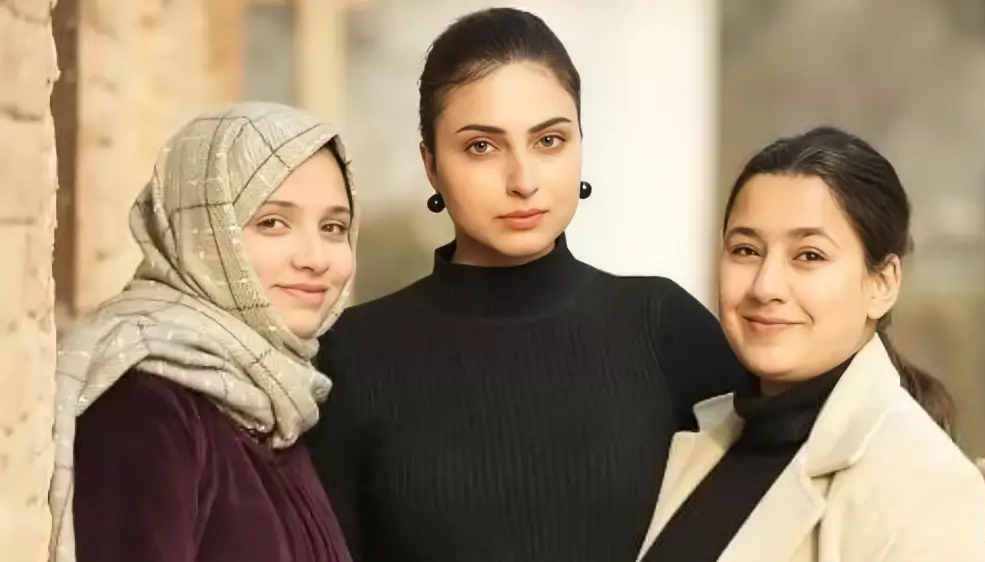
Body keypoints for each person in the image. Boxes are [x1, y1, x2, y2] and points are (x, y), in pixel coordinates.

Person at [306, 7, 748, 562]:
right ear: (431, 166)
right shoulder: (351, 356)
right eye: (482, 147)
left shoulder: (663, 328)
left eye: (549, 141)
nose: (524, 181)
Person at [636, 126, 985, 562]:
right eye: (746, 250)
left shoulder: (930, 487)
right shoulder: (690, 439)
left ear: (882, 283)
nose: (765, 286)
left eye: (809, 256)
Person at [50, 102, 357, 562]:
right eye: (273, 222)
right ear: (206, 229)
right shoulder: (144, 408)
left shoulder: (277, 404)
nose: (316, 257)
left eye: (334, 227)